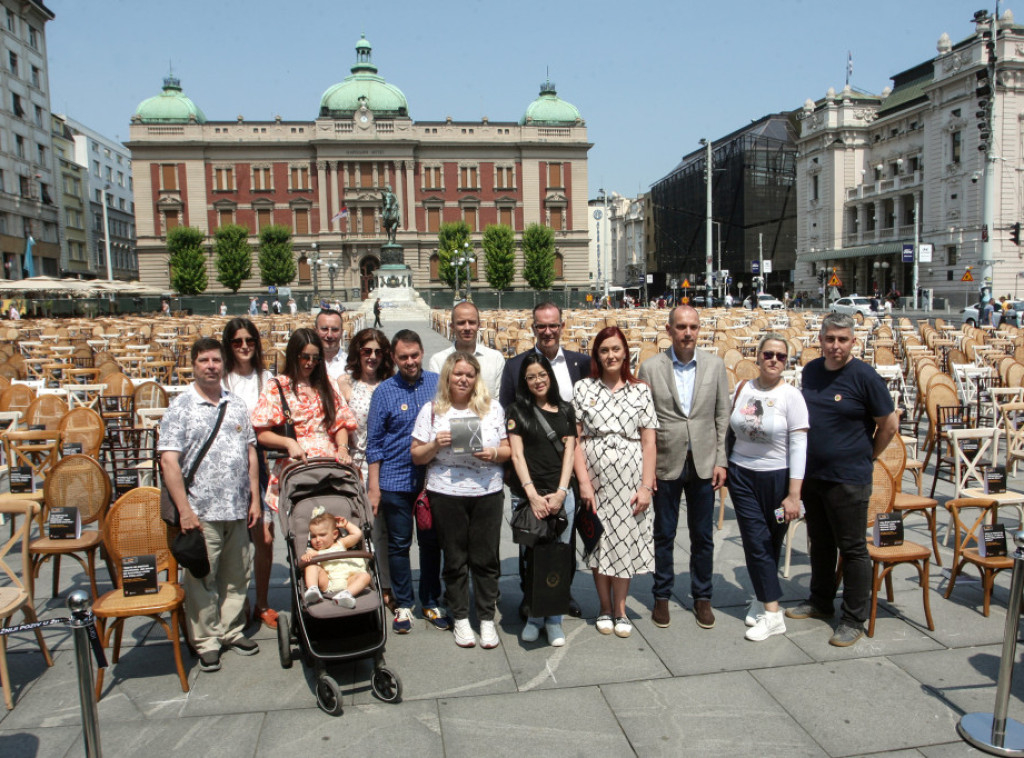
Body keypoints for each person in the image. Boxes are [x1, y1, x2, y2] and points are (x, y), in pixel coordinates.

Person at [787, 312, 898, 647]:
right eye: (830, 339)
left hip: (849, 478)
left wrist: (867, 456)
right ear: (820, 340)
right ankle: (820, 600)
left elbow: (889, 425)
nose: (836, 346)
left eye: (842, 340)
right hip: (814, 474)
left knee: (852, 548)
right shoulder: (811, 371)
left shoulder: (865, 376)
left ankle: (853, 618)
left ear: (853, 342)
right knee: (820, 542)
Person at [159, 337, 261, 672]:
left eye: (216, 360)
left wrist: (255, 498)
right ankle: (206, 640)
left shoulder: (236, 403)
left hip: (237, 507)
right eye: (204, 360)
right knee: (202, 578)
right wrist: (184, 510)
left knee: (237, 574)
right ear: (193, 365)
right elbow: (169, 462)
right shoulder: (181, 407)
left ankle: (231, 630)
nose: (211, 366)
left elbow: (250, 451)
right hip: (201, 510)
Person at [637, 305, 729, 630]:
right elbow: (644, 421)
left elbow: (722, 415)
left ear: (699, 329)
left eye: (693, 327)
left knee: (702, 535)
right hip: (666, 460)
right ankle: (661, 595)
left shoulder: (715, 366)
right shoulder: (651, 368)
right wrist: (646, 471)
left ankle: (702, 596)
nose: (687, 333)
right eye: (681, 327)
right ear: (669, 329)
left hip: (704, 461)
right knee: (664, 533)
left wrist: (721, 460)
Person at [498, 301, 590, 619]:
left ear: (562, 326)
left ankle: (562, 594)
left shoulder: (581, 363)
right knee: (531, 540)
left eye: (553, 325)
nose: (547, 331)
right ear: (533, 328)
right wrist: (515, 475)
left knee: (566, 540)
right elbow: (508, 417)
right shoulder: (515, 367)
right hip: (530, 475)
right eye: (541, 326)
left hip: (568, 469)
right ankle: (530, 597)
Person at [411, 352, 509, 648]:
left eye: (469, 374)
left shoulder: (493, 408)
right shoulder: (432, 410)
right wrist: (435, 444)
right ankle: (462, 617)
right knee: (454, 559)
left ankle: (487, 618)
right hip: (447, 493)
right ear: (448, 376)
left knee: (486, 558)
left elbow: (508, 450)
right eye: (458, 374)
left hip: (487, 490)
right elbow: (417, 456)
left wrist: (492, 453)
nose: (463, 379)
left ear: (477, 378)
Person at [573, 326, 658, 639]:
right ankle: (604, 607)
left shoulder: (641, 390)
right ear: (597, 355)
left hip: (630, 479)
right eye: (604, 350)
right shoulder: (583, 388)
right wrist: (583, 482)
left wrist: (646, 486)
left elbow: (649, 441)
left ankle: (620, 609)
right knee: (599, 541)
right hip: (595, 479)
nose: (610, 355)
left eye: (615, 349)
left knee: (624, 540)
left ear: (625, 353)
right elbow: (574, 439)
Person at [727, 333, 808, 642]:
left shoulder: (791, 396)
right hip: (742, 475)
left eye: (781, 356)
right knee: (756, 540)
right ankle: (774, 615)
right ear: (758, 356)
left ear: (786, 362)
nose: (774, 360)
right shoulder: (742, 388)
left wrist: (794, 494)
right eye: (768, 354)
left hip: (778, 480)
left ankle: (762, 599)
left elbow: (799, 446)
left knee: (772, 541)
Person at [365, 330, 447, 634]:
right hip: (395, 481)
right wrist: (374, 488)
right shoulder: (384, 391)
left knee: (431, 543)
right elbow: (374, 444)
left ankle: (430, 599)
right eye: (403, 357)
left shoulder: (438, 383)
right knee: (399, 545)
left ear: (422, 352)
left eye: (414, 355)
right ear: (393, 358)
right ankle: (403, 603)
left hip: (431, 480)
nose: (410, 361)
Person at [507, 353, 577, 647]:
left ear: (550, 375)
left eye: (542, 374)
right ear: (525, 381)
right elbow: (517, 455)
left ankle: (555, 620)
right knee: (532, 558)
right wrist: (532, 494)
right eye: (531, 377)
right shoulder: (517, 411)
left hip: (561, 495)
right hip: (529, 497)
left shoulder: (566, 410)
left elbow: (570, 453)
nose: (538, 381)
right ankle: (535, 617)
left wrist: (561, 492)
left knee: (559, 558)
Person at [251, 329, 356, 513]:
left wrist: (342, 448)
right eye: (305, 357)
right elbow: (262, 433)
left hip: (329, 464)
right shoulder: (277, 386)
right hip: (297, 466)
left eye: (316, 358)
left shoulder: (327, 383)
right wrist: (288, 442)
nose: (310, 363)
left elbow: (340, 422)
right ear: (294, 355)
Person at [221, 318, 277, 630]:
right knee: (234, 539)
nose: (244, 346)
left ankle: (263, 602)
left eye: (249, 341)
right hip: (229, 467)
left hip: (262, 464)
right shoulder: (222, 379)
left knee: (264, 537)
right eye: (237, 341)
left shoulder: (267, 379)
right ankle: (237, 601)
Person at [337, 327, 395, 608]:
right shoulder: (344, 382)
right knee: (357, 529)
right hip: (356, 464)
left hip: (386, 464)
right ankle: (360, 582)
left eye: (378, 352)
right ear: (357, 353)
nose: (372, 357)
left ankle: (385, 583)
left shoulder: (391, 383)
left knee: (383, 529)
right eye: (366, 351)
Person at [429, 301, 505, 398]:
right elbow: (437, 398)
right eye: (461, 323)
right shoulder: (438, 361)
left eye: (472, 322)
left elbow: (499, 398)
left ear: (479, 325)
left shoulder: (495, 359)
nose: (467, 328)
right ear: (452, 327)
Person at [300, 507, 371, 609]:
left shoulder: (341, 543)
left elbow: (357, 534)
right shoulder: (312, 551)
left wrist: (346, 525)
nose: (317, 539)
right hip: (328, 582)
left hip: (348, 581)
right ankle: (313, 589)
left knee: (365, 576)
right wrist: (306, 557)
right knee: (311, 566)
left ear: (334, 534)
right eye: (313, 536)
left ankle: (346, 594)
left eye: (322, 535)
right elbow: (305, 560)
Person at [316, 308, 347, 380]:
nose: (329, 335)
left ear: (342, 332)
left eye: (335, 330)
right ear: (316, 331)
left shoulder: (352, 365)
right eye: (324, 329)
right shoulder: (305, 364)